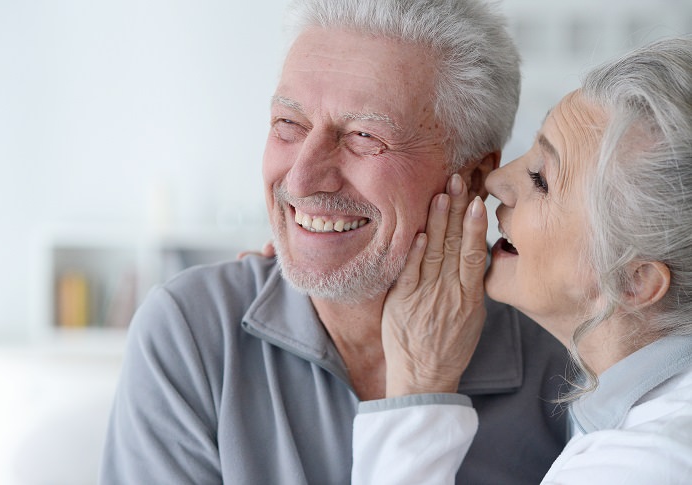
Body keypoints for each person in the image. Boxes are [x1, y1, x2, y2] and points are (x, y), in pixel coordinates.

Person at [99, 0, 569, 483]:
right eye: (289, 124)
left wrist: (422, 393)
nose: (301, 180)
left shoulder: (562, 361)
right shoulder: (190, 333)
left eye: (365, 136)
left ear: (472, 177)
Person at [352, 36, 692, 484]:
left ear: (634, 281)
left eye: (541, 179)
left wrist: (418, 388)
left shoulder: (649, 463)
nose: (496, 179)